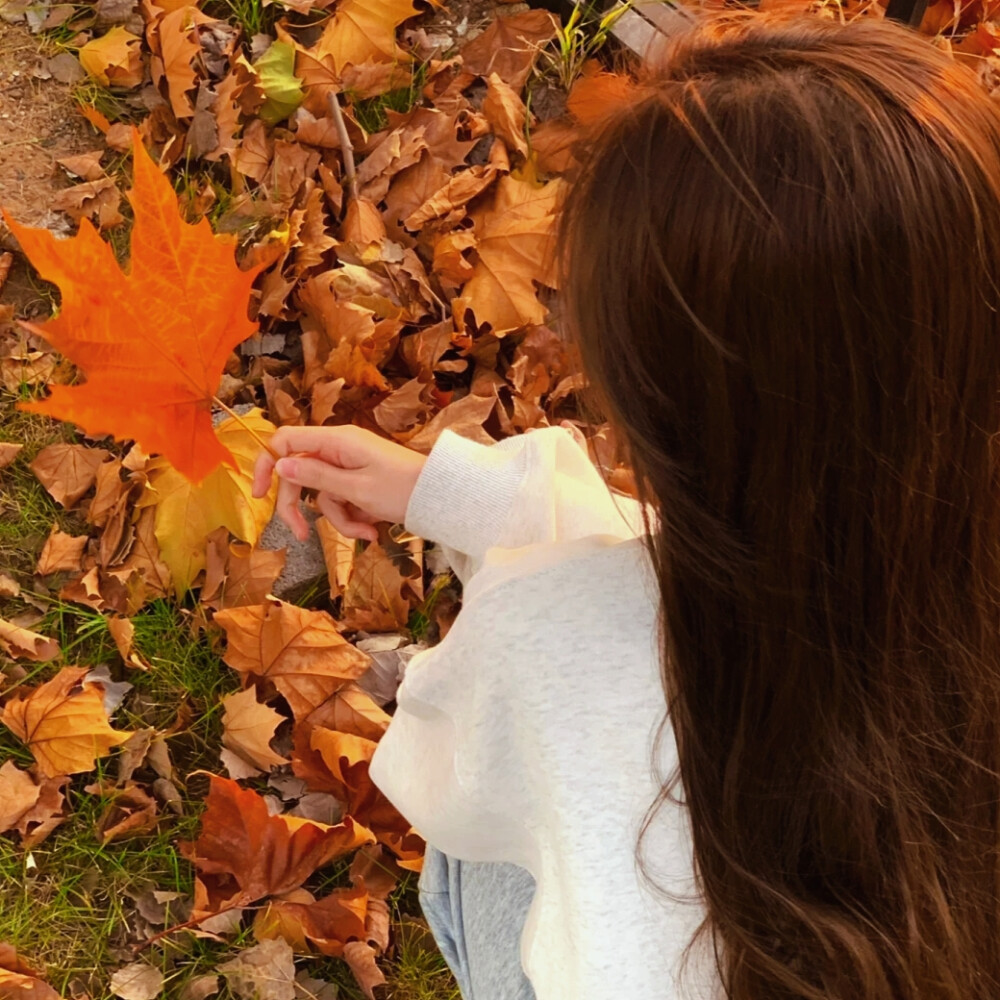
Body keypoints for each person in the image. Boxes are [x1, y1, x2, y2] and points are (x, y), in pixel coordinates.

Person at [252, 10, 1000, 1000]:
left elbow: (448, 773)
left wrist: (520, 555)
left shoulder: (549, 635)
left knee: (480, 869)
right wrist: (460, 493)